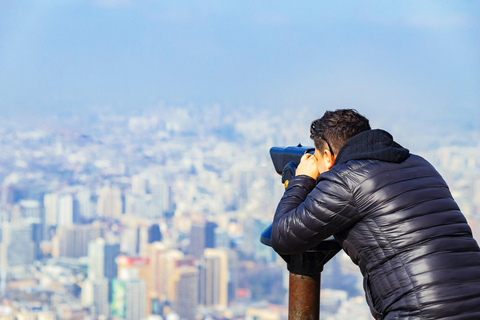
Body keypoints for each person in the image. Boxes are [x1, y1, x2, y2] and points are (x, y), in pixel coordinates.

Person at [271, 109, 480, 320]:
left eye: (316, 159)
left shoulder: (346, 179)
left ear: (327, 156)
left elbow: (283, 236)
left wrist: (302, 179)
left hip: (419, 313)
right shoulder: (421, 164)